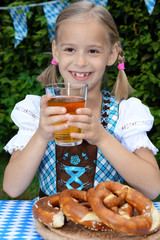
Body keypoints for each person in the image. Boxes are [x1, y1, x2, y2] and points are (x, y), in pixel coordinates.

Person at [3, 1, 160, 200]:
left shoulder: (124, 114)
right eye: (70, 49)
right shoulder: (38, 112)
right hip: (52, 223)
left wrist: (102, 138)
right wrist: (42, 135)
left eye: (93, 51)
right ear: (56, 51)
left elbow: (153, 188)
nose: (80, 62)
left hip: (104, 225)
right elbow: (12, 187)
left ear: (111, 54)